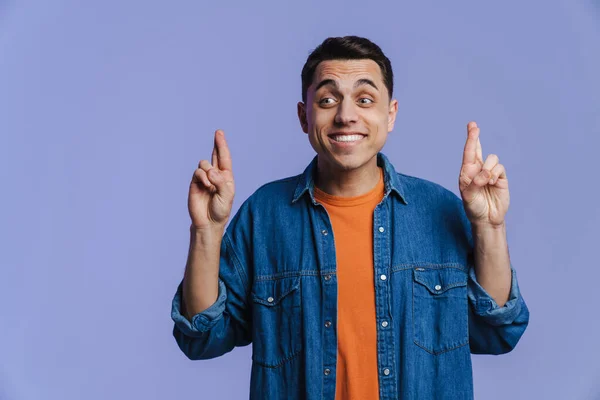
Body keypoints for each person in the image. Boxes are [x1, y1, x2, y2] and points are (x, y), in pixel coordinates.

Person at [170, 36, 529, 400]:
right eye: (327, 100)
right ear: (303, 116)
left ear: (390, 114)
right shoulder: (263, 216)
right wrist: (206, 230)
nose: (345, 115)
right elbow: (200, 337)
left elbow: (498, 330)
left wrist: (490, 227)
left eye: (365, 99)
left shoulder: (442, 210)